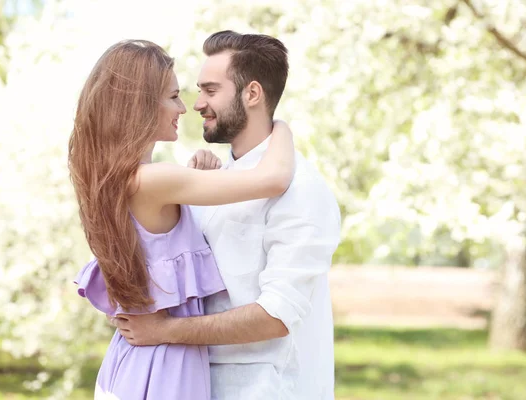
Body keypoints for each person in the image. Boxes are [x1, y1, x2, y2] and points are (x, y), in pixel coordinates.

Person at [113, 31, 341, 399]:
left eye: (210, 90)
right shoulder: (218, 180)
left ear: (252, 94)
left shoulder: (300, 189)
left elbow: (276, 315)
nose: (196, 104)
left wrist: (164, 330)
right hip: (198, 383)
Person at [68, 39, 295, 400]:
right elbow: (274, 179)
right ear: (141, 105)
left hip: (134, 363)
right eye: (173, 96)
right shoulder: (154, 180)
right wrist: (278, 124)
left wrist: (192, 184)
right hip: (164, 368)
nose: (184, 107)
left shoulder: (122, 178)